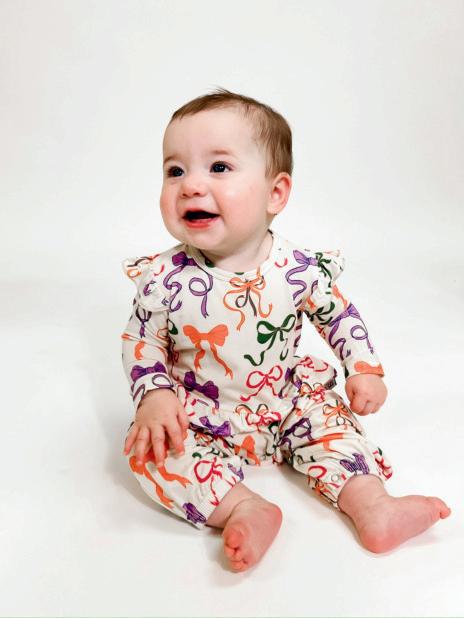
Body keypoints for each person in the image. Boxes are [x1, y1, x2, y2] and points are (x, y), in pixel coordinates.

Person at [120, 88, 451, 572]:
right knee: (150, 449)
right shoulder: (163, 279)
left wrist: (362, 368)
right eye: (175, 171)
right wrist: (154, 396)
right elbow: (142, 340)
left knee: (333, 424)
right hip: (200, 410)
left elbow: (339, 316)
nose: (190, 185)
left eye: (218, 167)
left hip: (288, 398)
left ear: (275, 193)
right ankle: (243, 507)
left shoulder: (298, 269)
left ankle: (372, 504)